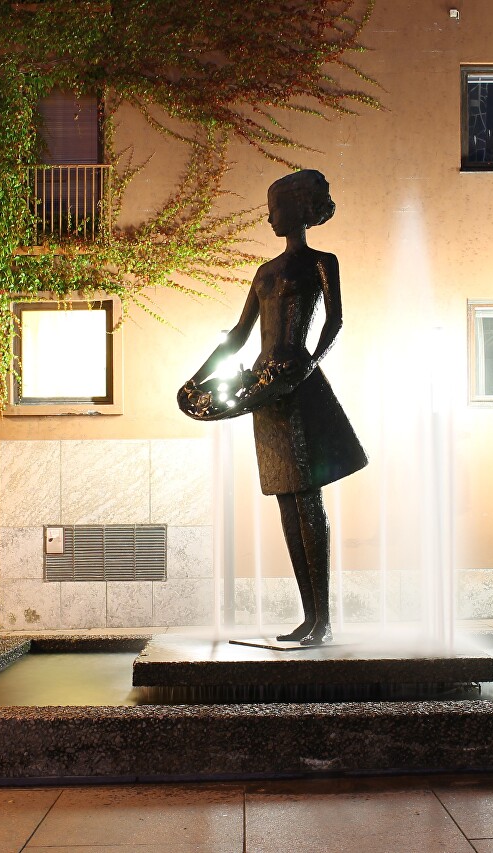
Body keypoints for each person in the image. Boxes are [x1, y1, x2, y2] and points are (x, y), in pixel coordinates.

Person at [180, 170, 367, 646]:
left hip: (297, 383)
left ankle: (322, 619)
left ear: (302, 210)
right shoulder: (264, 273)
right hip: (266, 387)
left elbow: (335, 322)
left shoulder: (323, 262)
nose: (270, 216)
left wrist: (309, 365)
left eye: (277, 207)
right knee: (286, 498)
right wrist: (197, 378)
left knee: (307, 497)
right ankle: (310, 617)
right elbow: (239, 335)